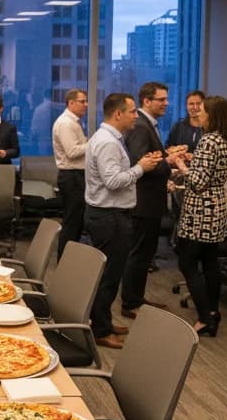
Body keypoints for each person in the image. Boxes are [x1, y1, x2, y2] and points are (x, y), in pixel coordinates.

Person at [84, 93, 163, 350]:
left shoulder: (109, 138)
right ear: (118, 114)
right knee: (108, 276)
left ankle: (102, 320)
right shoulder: (108, 142)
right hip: (110, 217)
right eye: (132, 112)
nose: (135, 116)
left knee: (109, 273)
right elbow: (113, 181)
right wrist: (141, 168)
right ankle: (101, 330)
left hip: (108, 215)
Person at [170, 96, 227, 336]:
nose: (199, 114)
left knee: (186, 261)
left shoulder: (208, 140)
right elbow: (210, 171)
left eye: (203, 111)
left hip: (201, 209)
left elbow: (197, 183)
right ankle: (213, 311)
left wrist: (180, 162)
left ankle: (204, 316)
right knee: (209, 262)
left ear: (213, 115)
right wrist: (193, 161)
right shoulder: (225, 140)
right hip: (216, 206)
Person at [121, 81, 185, 319]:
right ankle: (130, 303)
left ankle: (137, 298)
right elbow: (140, 161)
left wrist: (168, 155)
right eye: (161, 99)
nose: (166, 103)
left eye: (166, 99)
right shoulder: (140, 126)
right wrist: (167, 162)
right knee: (139, 254)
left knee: (146, 254)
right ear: (146, 101)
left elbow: (152, 157)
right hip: (143, 201)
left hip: (150, 200)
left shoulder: (150, 125)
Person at [165, 89, 205, 249]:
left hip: (200, 179)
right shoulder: (179, 126)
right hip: (179, 177)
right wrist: (177, 153)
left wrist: (193, 157)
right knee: (178, 213)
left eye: (198, 103)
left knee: (195, 217)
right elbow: (167, 148)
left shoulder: (208, 128)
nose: (194, 107)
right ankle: (178, 244)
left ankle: (191, 247)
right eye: (191, 104)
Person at [52, 88, 89, 259]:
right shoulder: (66, 123)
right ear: (71, 103)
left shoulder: (74, 121)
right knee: (72, 222)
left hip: (77, 176)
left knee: (77, 222)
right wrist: (94, 143)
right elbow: (72, 152)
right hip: (71, 176)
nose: (86, 105)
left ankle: (70, 259)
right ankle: (64, 261)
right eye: (82, 101)